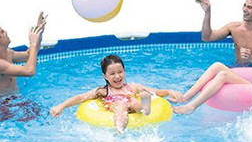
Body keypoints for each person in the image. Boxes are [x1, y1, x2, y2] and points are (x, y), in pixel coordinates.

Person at [49, 55, 183, 133]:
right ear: (105, 76)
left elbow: (156, 92)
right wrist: (61, 106)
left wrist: (169, 91)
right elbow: (81, 97)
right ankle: (120, 131)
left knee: (138, 97)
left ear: (124, 71)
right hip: (117, 109)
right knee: (123, 104)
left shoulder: (132, 87)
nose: (117, 76)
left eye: (120, 72)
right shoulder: (103, 91)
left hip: (133, 107)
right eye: (112, 74)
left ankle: (144, 107)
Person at [0, 13, 48, 121]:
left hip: (14, 101)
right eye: (2, 32)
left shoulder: (8, 53)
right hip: (1, 107)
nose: (6, 32)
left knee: (38, 112)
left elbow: (29, 55)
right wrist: (32, 43)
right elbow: (29, 71)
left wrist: (39, 32)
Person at [195, 0, 252, 64]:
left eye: (249, 7)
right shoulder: (233, 28)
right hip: (237, 69)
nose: (244, 9)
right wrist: (207, 12)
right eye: (244, 5)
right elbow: (207, 38)